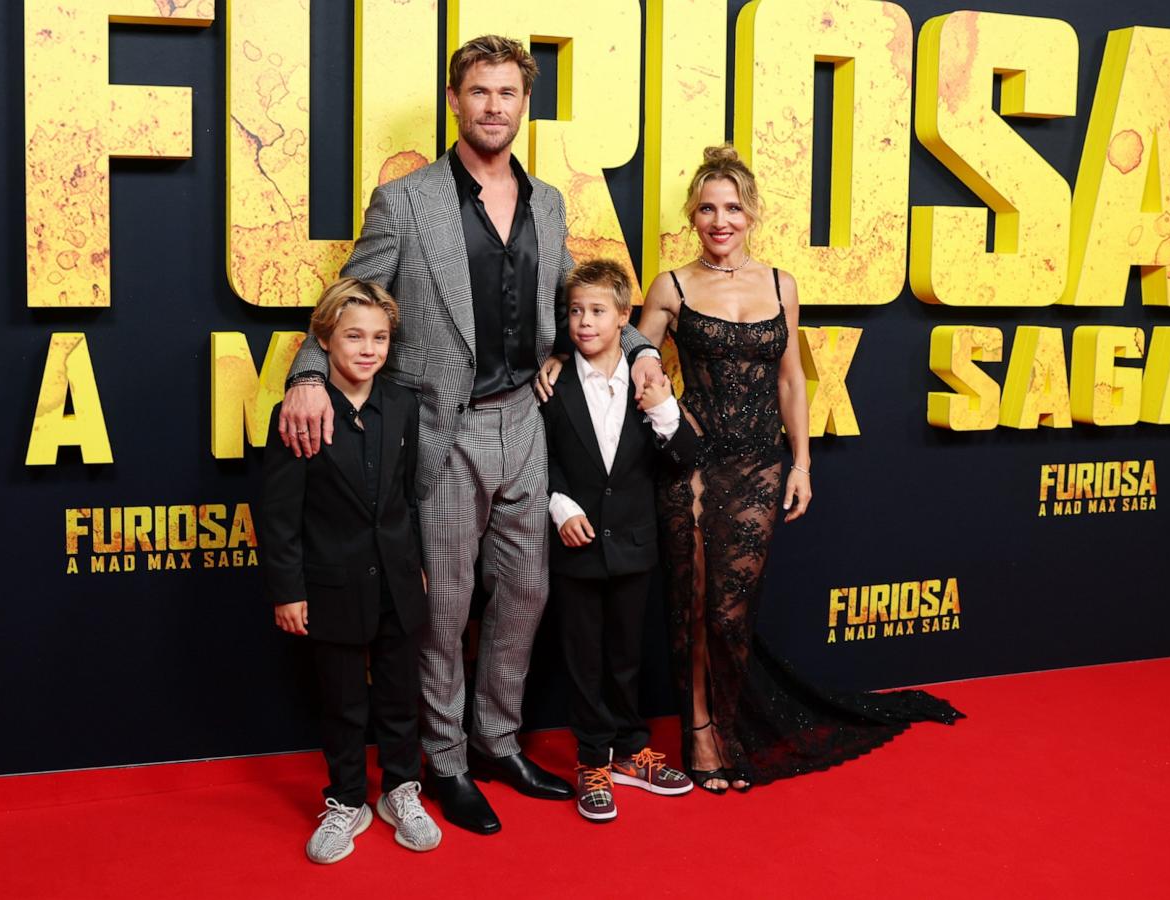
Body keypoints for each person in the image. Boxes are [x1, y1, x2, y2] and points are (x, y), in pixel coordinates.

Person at [277, 35, 667, 835]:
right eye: (480, 92)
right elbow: (350, 293)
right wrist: (308, 374)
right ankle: (445, 762)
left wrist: (643, 349)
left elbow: (581, 302)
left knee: (525, 596)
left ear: (525, 104)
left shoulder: (548, 201)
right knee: (445, 608)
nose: (495, 106)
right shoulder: (408, 201)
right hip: (439, 430)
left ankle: (497, 742)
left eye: (508, 93)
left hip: (525, 418)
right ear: (455, 100)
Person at [549, 145, 961, 794]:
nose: (720, 220)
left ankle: (730, 727)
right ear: (692, 215)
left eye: (733, 208)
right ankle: (701, 739)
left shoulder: (780, 284)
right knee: (691, 610)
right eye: (708, 208)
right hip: (690, 465)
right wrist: (559, 355)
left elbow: (792, 379)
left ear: (751, 215)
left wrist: (801, 462)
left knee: (730, 615)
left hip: (760, 464)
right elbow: (627, 338)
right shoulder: (673, 285)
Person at [262, 278, 442, 863]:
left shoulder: (404, 404)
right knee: (342, 700)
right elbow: (279, 513)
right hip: (330, 581)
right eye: (354, 336)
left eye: (380, 338)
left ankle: (400, 791)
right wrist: (288, 590)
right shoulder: (298, 412)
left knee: (397, 695)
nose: (368, 349)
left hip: (397, 577)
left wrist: (413, 564)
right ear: (326, 339)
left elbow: (409, 498)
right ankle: (346, 801)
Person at [540, 260, 699, 822]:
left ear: (624, 317)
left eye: (598, 311)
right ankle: (592, 760)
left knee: (627, 655)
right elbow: (539, 461)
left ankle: (632, 751)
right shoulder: (551, 382)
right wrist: (559, 506)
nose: (584, 322)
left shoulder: (648, 378)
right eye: (575, 311)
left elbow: (683, 456)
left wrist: (661, 407)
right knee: (582, 658)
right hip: (574, 544)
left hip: (634, 542)